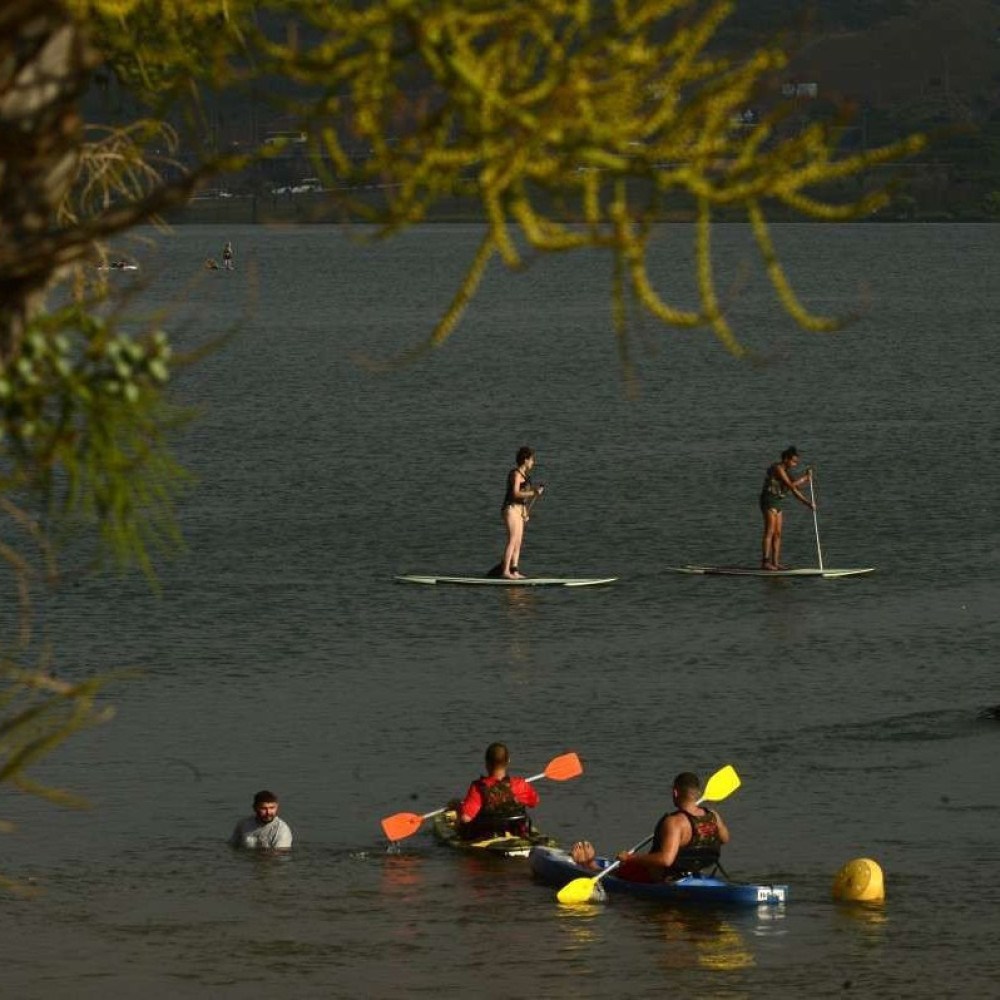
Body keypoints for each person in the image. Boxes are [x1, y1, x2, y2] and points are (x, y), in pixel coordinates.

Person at [613, 772, 730, 883]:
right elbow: (725, 839)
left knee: (617, 873)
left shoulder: (675, 822)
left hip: (664, 878)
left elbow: (666, 860)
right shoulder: (713, 815)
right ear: (697, 793)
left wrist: (630, 858)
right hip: (694, 872)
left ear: (675, 792)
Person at [455, 742, 540, 840]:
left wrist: (458, 808)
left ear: (486, 762)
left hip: (485, 836)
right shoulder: (520, 784)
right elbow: (534, 802)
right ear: (508, 761)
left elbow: (465, 818)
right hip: (515, 832)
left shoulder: (478, 788)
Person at [759, 445, 814, 570]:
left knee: (778, 534)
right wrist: (805, 478)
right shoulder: (777, 468)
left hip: (778, 502)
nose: (795, 464)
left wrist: (808, 503)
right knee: (770, 531)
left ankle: (775, 562)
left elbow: (795, 491)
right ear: (786, 459)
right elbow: (790, 486)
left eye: (796, 462)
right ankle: (765, 562)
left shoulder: (788, 473)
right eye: (793, 461)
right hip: (768, 500)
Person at [499, 446, 544, 579]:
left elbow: (523, 499)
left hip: (519, 511)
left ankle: (514, 570)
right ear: (525, 460)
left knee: (518, 541)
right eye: (531, 460)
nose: (533, 462)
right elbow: (515, 493)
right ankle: (505, 571)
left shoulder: (527, 477)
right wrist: (533, 492)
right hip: (511, 509)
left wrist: (525, 513)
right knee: (512, 539)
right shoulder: (516, 474)